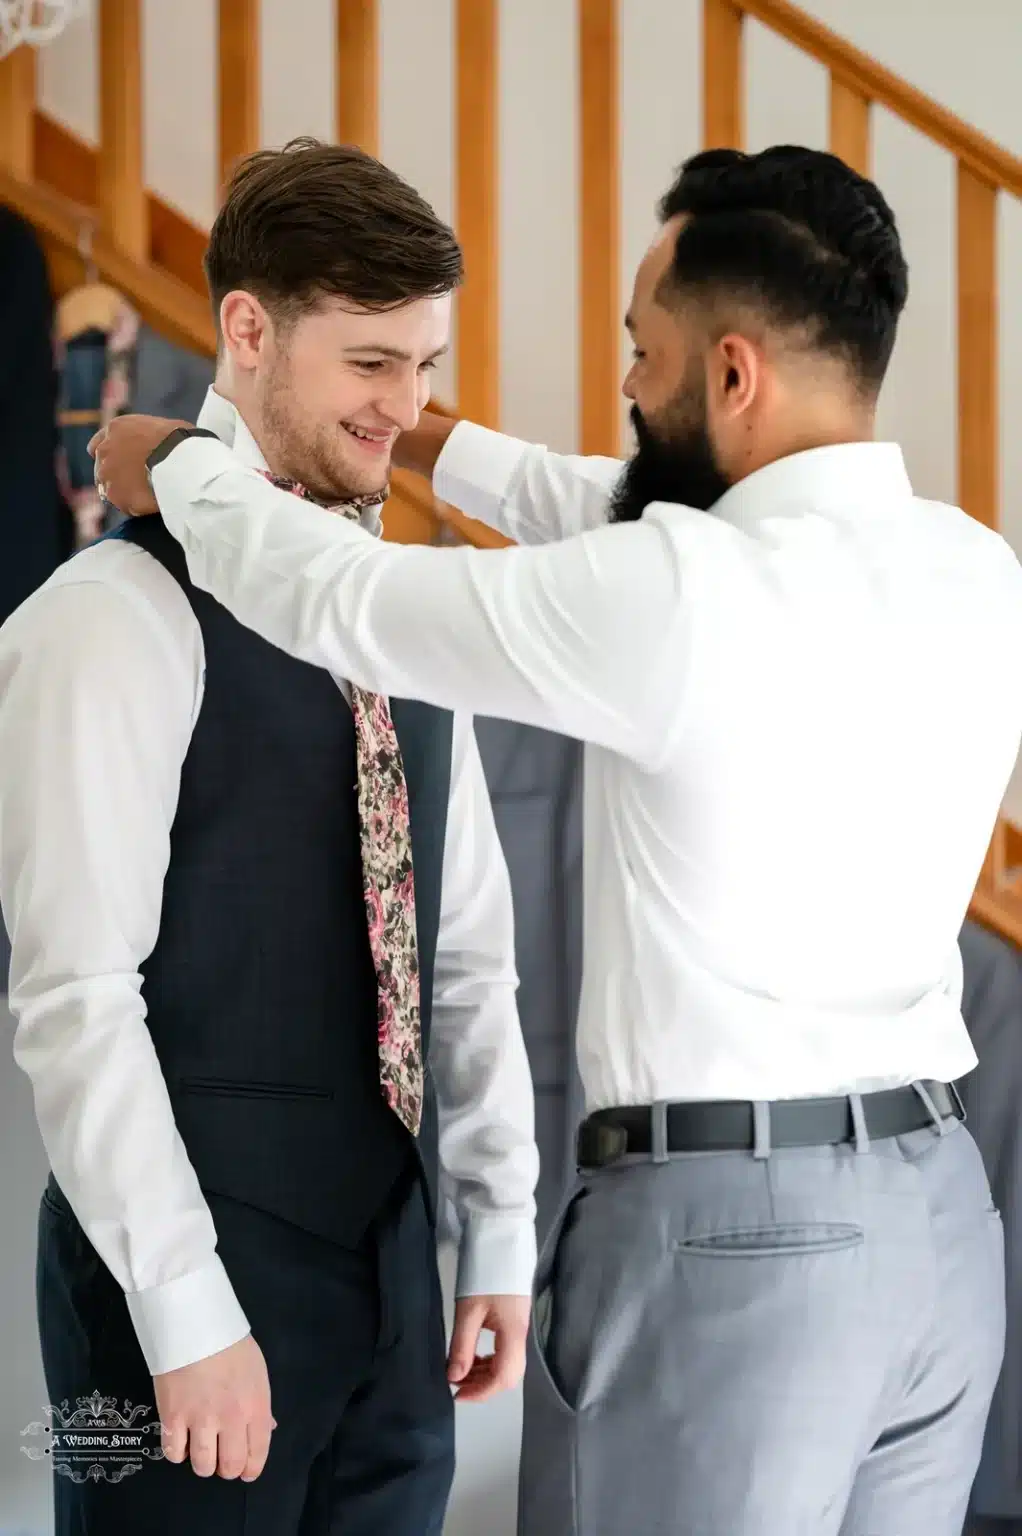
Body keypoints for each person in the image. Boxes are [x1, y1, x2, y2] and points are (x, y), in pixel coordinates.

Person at [92, 144, 1022, 1536]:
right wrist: (409, 427)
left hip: (735, 1248)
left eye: (642, 355)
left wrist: (183, 466)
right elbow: (621, 504)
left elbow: (338, 597)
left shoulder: (677, 600)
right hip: (940, 1232)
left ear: (729, 375)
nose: (626, 389)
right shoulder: (966, 566)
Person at [0, 138, 538, 1536]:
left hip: (392, 1277)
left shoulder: (402, 612)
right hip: (175, 1294)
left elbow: (464, 957)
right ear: (247, 329)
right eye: (371, 362)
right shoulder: (109, 616)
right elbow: (72, 999)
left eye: (422, 364)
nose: (404, 409)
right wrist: (184, 1314)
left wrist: (493, 1224)